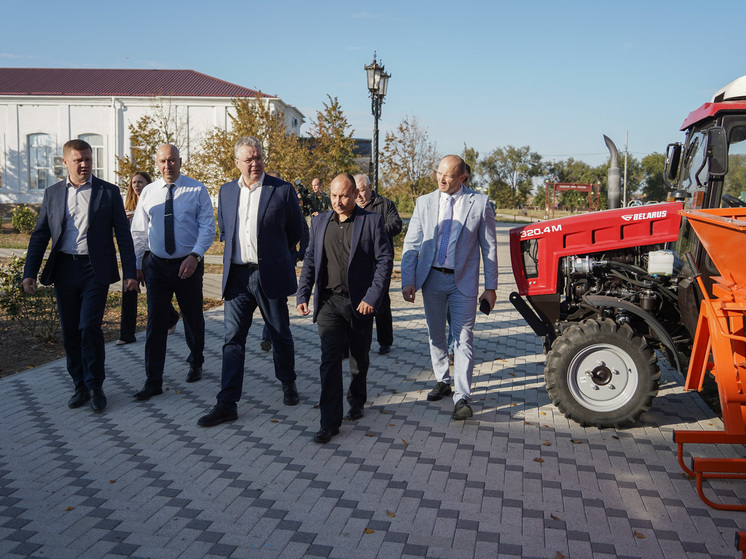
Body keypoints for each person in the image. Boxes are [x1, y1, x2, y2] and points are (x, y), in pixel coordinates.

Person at [22, 139, 138, 412]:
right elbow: (40, 236)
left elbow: (123, 234)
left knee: (89, 327)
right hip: (64, 269)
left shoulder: (107, 192)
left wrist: (130, 272)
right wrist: (30, 273)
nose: (85, 165)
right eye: (78, 160)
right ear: (65, 162)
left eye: (88, 159)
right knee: (70, 333)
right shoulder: (52, 194)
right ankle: (80, 386)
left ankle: (96, 385)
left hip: (94, 270)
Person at [197, 136, 305, 427]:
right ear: (237, 163)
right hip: (237, 277)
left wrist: (282, 257)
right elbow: (225, 231)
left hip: (269, 274)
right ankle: (227, 402)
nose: (255, 163)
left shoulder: (282, 190)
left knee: (280, 332)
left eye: (258, 157)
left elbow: (296, 230)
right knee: (232, 340)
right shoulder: (226, 191)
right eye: (249, 159)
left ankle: (288, 381)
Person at [296, 173, 393, 443]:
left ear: (356, 195)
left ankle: (357, 399)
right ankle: (329, 422)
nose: (338, 201)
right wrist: (303, 292)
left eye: (344, 196)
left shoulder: (371, 222)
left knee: (358, 360)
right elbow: (311, 260)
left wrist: (372, 298)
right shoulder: (318, 222)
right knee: (329, 361)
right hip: (328, 302)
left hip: (359, 304)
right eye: (334, 195)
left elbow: (384, 262)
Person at [401, 155, 497, 420]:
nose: (441, 179)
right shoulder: (424, 202)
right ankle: (443, 380)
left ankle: (462, 397)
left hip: (463, 281)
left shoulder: (479, 203)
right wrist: (407, 280)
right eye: (438, 174)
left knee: (464, 337)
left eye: (449, 176)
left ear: (462, 178)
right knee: (435, 334)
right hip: (430, 278)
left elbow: (489, 247)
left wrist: (491, 286)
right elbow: (411, 244)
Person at [130, 144, 215, 400]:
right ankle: (153, 380)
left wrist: (195, 255)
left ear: (180, 161)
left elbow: (208, 228)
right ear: (157, 163)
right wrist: (136, 266)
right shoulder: (149, 192)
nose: (168, 166)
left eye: (172, 160)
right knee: (155, 324)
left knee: (192, 317)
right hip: (156, 267)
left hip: (187, 266)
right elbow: (139, 232)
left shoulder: (197, 189)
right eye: (163, 161)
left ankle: (196, 359)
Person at [117, 171, 179, 345]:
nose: (137, 185)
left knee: (153, 289)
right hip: (132, 252)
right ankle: (126, 334)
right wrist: (123, 217)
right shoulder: (125, 206)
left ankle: (171, 316)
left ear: (148, 185)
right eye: (134, 182)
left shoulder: (156, 201)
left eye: (140, 182)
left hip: (150, 253)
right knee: (129, 289)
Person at [257, 170, 310, 353]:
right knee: (273, 300)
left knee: (278, 300)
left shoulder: (289, 201)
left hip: (286, 259)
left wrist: (299, 253)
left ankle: (279, 336)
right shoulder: (261, 207)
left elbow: (302, 230)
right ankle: (271, 336)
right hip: (265, 262)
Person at [354, 174, 402, 354]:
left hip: (380, 261)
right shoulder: (350, 206)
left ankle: (385, 341)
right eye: (355, 191)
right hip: (358, 262)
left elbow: (396, 224)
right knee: (357, 300)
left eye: (362, 190)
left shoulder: (384, 204)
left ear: (371, 187)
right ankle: (356, 340)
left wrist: (375, 230)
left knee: (381, 300)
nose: (358, 195)